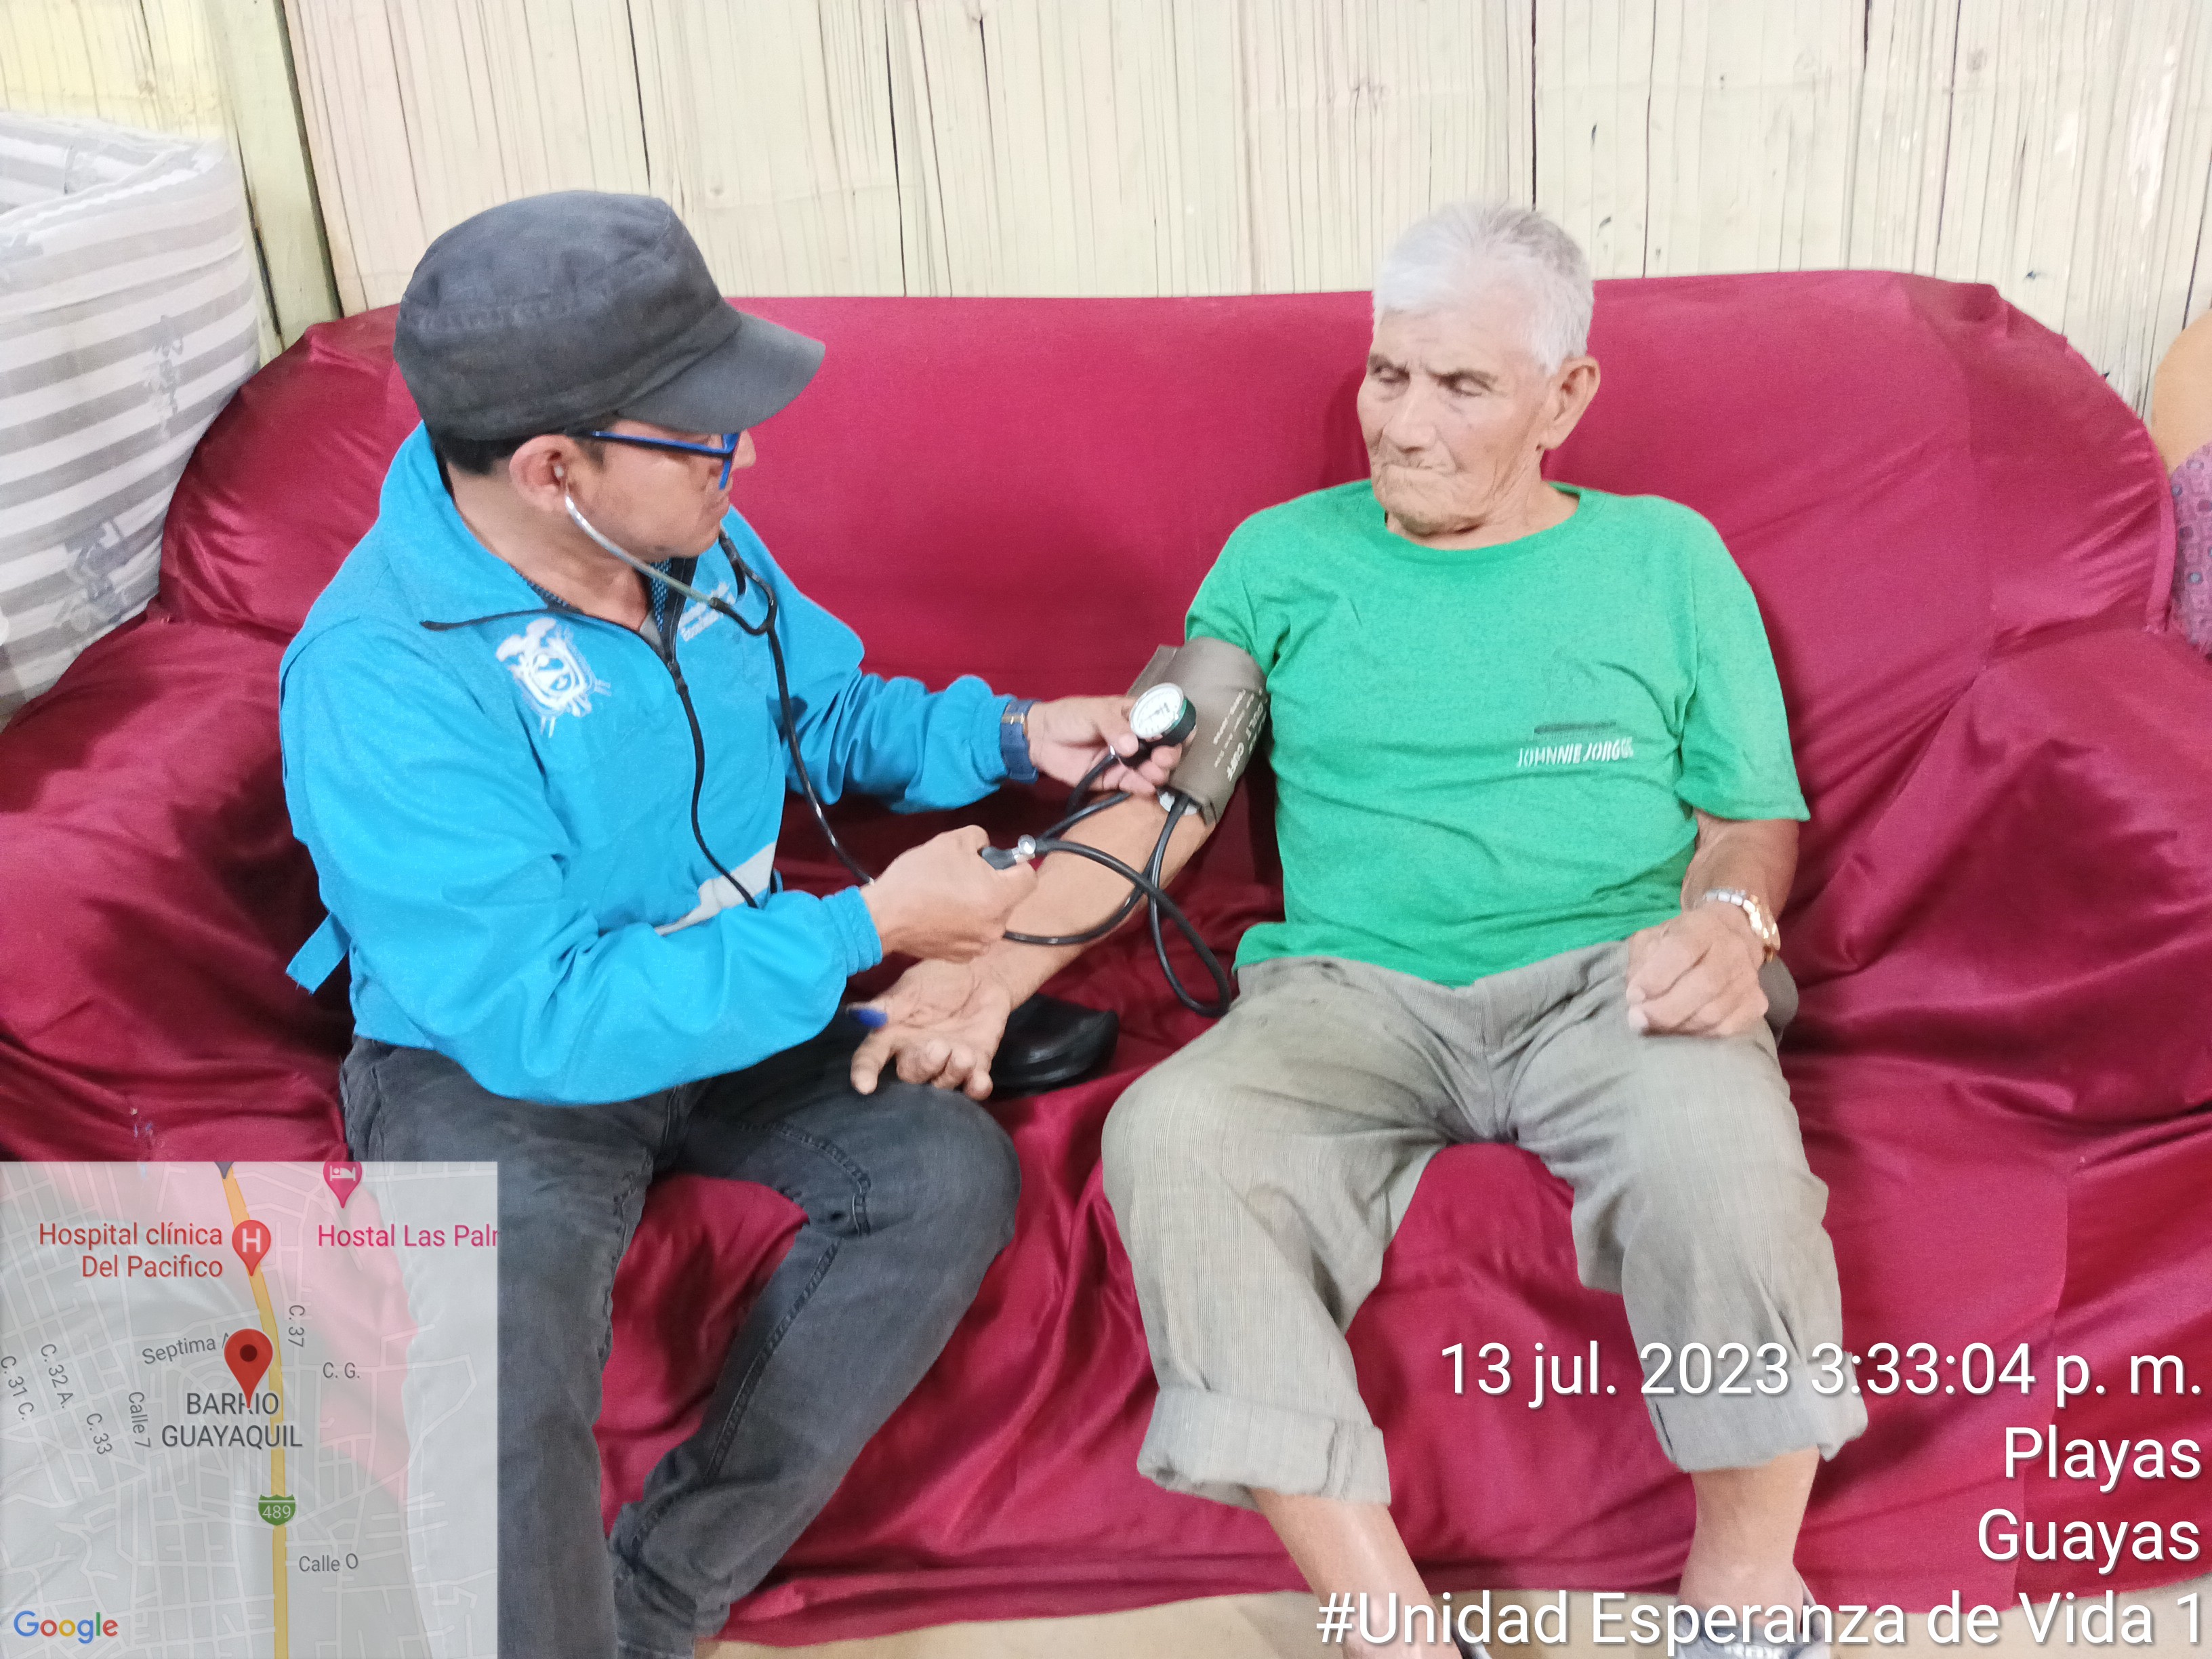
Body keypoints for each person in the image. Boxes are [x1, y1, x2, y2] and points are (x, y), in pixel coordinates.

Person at [852, 201, 1866, 1659]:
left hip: (1612, 978)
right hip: (1349, 997)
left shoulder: (1670, 560)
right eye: (1389, 374)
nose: (1403, 423)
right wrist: (1001, 975)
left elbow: (1750, 812)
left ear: (1566, 397)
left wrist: (1731, 918)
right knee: (1174, 1136)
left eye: (1462, 386)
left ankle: (1745, 1590)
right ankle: (1390, 1624)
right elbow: (1165, 800)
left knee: (1724, 1153)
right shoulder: (1277, 561)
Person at [276, 190, 1179, 1659]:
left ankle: (659, 1601)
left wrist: (1017, 734)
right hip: (498, 1059)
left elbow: (822, 710)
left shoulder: (689, 542)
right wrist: (866, 928)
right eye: (703, 432)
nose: (745, 455)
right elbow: (544, 1014)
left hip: (730, 994)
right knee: (501, 1335)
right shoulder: (380, 673)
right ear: (554, 468)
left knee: (942, 1177)